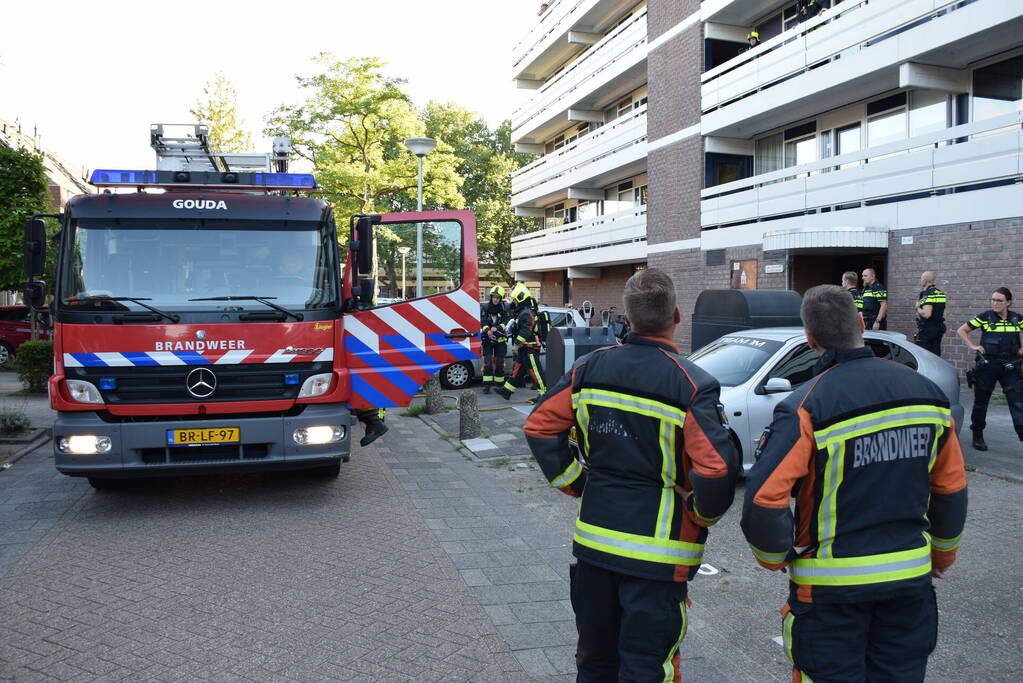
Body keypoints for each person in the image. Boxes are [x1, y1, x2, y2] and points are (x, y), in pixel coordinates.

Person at [741, 284, 967, 683]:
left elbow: (763, 499)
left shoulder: (805, 405)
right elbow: (949, 489)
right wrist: (942, 557)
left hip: (831, 592)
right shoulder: (928, 395)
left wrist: (775, 558)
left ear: (811, 340)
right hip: (908, 582)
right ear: (862, 323)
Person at [524, 268, 737, 681]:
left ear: (625, 316)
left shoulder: (589, 369)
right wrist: (699, 512)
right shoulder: (692, 384)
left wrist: (577, 482)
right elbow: (715, 470)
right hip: (658, 558)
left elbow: (538, 426)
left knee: (595, 661)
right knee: (645, 667)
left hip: (595, 546)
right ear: (676, 317)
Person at [956, 286, 1023, 450]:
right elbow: (962, 330)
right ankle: (977, 435)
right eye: (993, 300)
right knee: (981, 403)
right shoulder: (985, 317)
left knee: (1018, 404)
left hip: (1011, 366)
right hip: (988, 366)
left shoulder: (1017, 319)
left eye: (999, 300)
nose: (995, 303)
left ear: (1008, 302)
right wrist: (973, 346)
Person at [496, 283, 547, 400]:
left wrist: (516, 344)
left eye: (514, 300)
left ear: (520, 298)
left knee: (536, 371)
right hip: (524, 348)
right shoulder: (522, 312)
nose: (513, 302)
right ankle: (507, 391)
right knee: (517, 369)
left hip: (531, 347)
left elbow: (526, 330)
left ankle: (544, 394)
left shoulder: (526, 313)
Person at [480, 285, 510, 394]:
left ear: (501, 298)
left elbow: (506, 321)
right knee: (488, 363)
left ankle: (499, 384)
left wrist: (497, 328)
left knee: (499, 363)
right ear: (491, 297)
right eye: (494, 297)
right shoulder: (485, 308)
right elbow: (483, 321)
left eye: (497, 297)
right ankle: (487, 385)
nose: (495, 299)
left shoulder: (504, 309)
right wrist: (488, 330)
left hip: (500, 340)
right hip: (487, 339)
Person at [915, 271, 947, 356]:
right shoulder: (940, 293)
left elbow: (927, 314)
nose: (920, 280)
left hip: (927, 330)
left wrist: (917, 307)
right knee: (935, 355)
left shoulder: (927, 294)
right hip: (938, 328)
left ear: (926, 280)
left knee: (924, 357)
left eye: (921, 278)